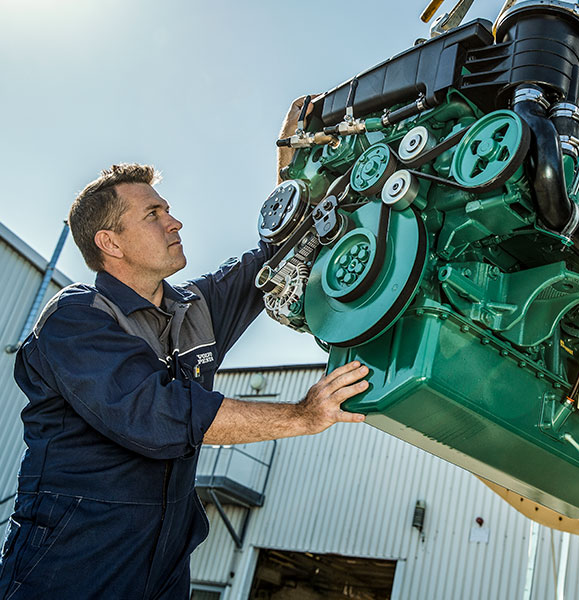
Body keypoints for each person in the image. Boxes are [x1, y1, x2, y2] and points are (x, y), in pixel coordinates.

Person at [0, 100, 368, 599]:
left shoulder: (196, 307)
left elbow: (277, 253)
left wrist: (293, 160)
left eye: (168, 211)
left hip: (164, 567)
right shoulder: (77, 320)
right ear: (110, 242)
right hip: (70, 569)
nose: (175, 223)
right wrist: (303, 414)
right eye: (154, 214)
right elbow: (159, 416)